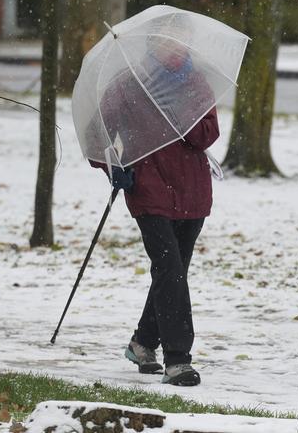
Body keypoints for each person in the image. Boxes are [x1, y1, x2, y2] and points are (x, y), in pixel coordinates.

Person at [90, 38, 218, 387]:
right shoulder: (129, 84)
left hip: (192, 191)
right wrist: (113, 167)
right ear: (153, 47)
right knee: (170, 270)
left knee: (171, 273)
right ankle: (177, 360)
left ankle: (143, 342)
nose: (178, 51)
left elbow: (210, 132)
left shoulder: (196, 84)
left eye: (182, 44)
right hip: (149, 189)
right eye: (169, 44)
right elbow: (96, 133)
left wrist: (183, 117)